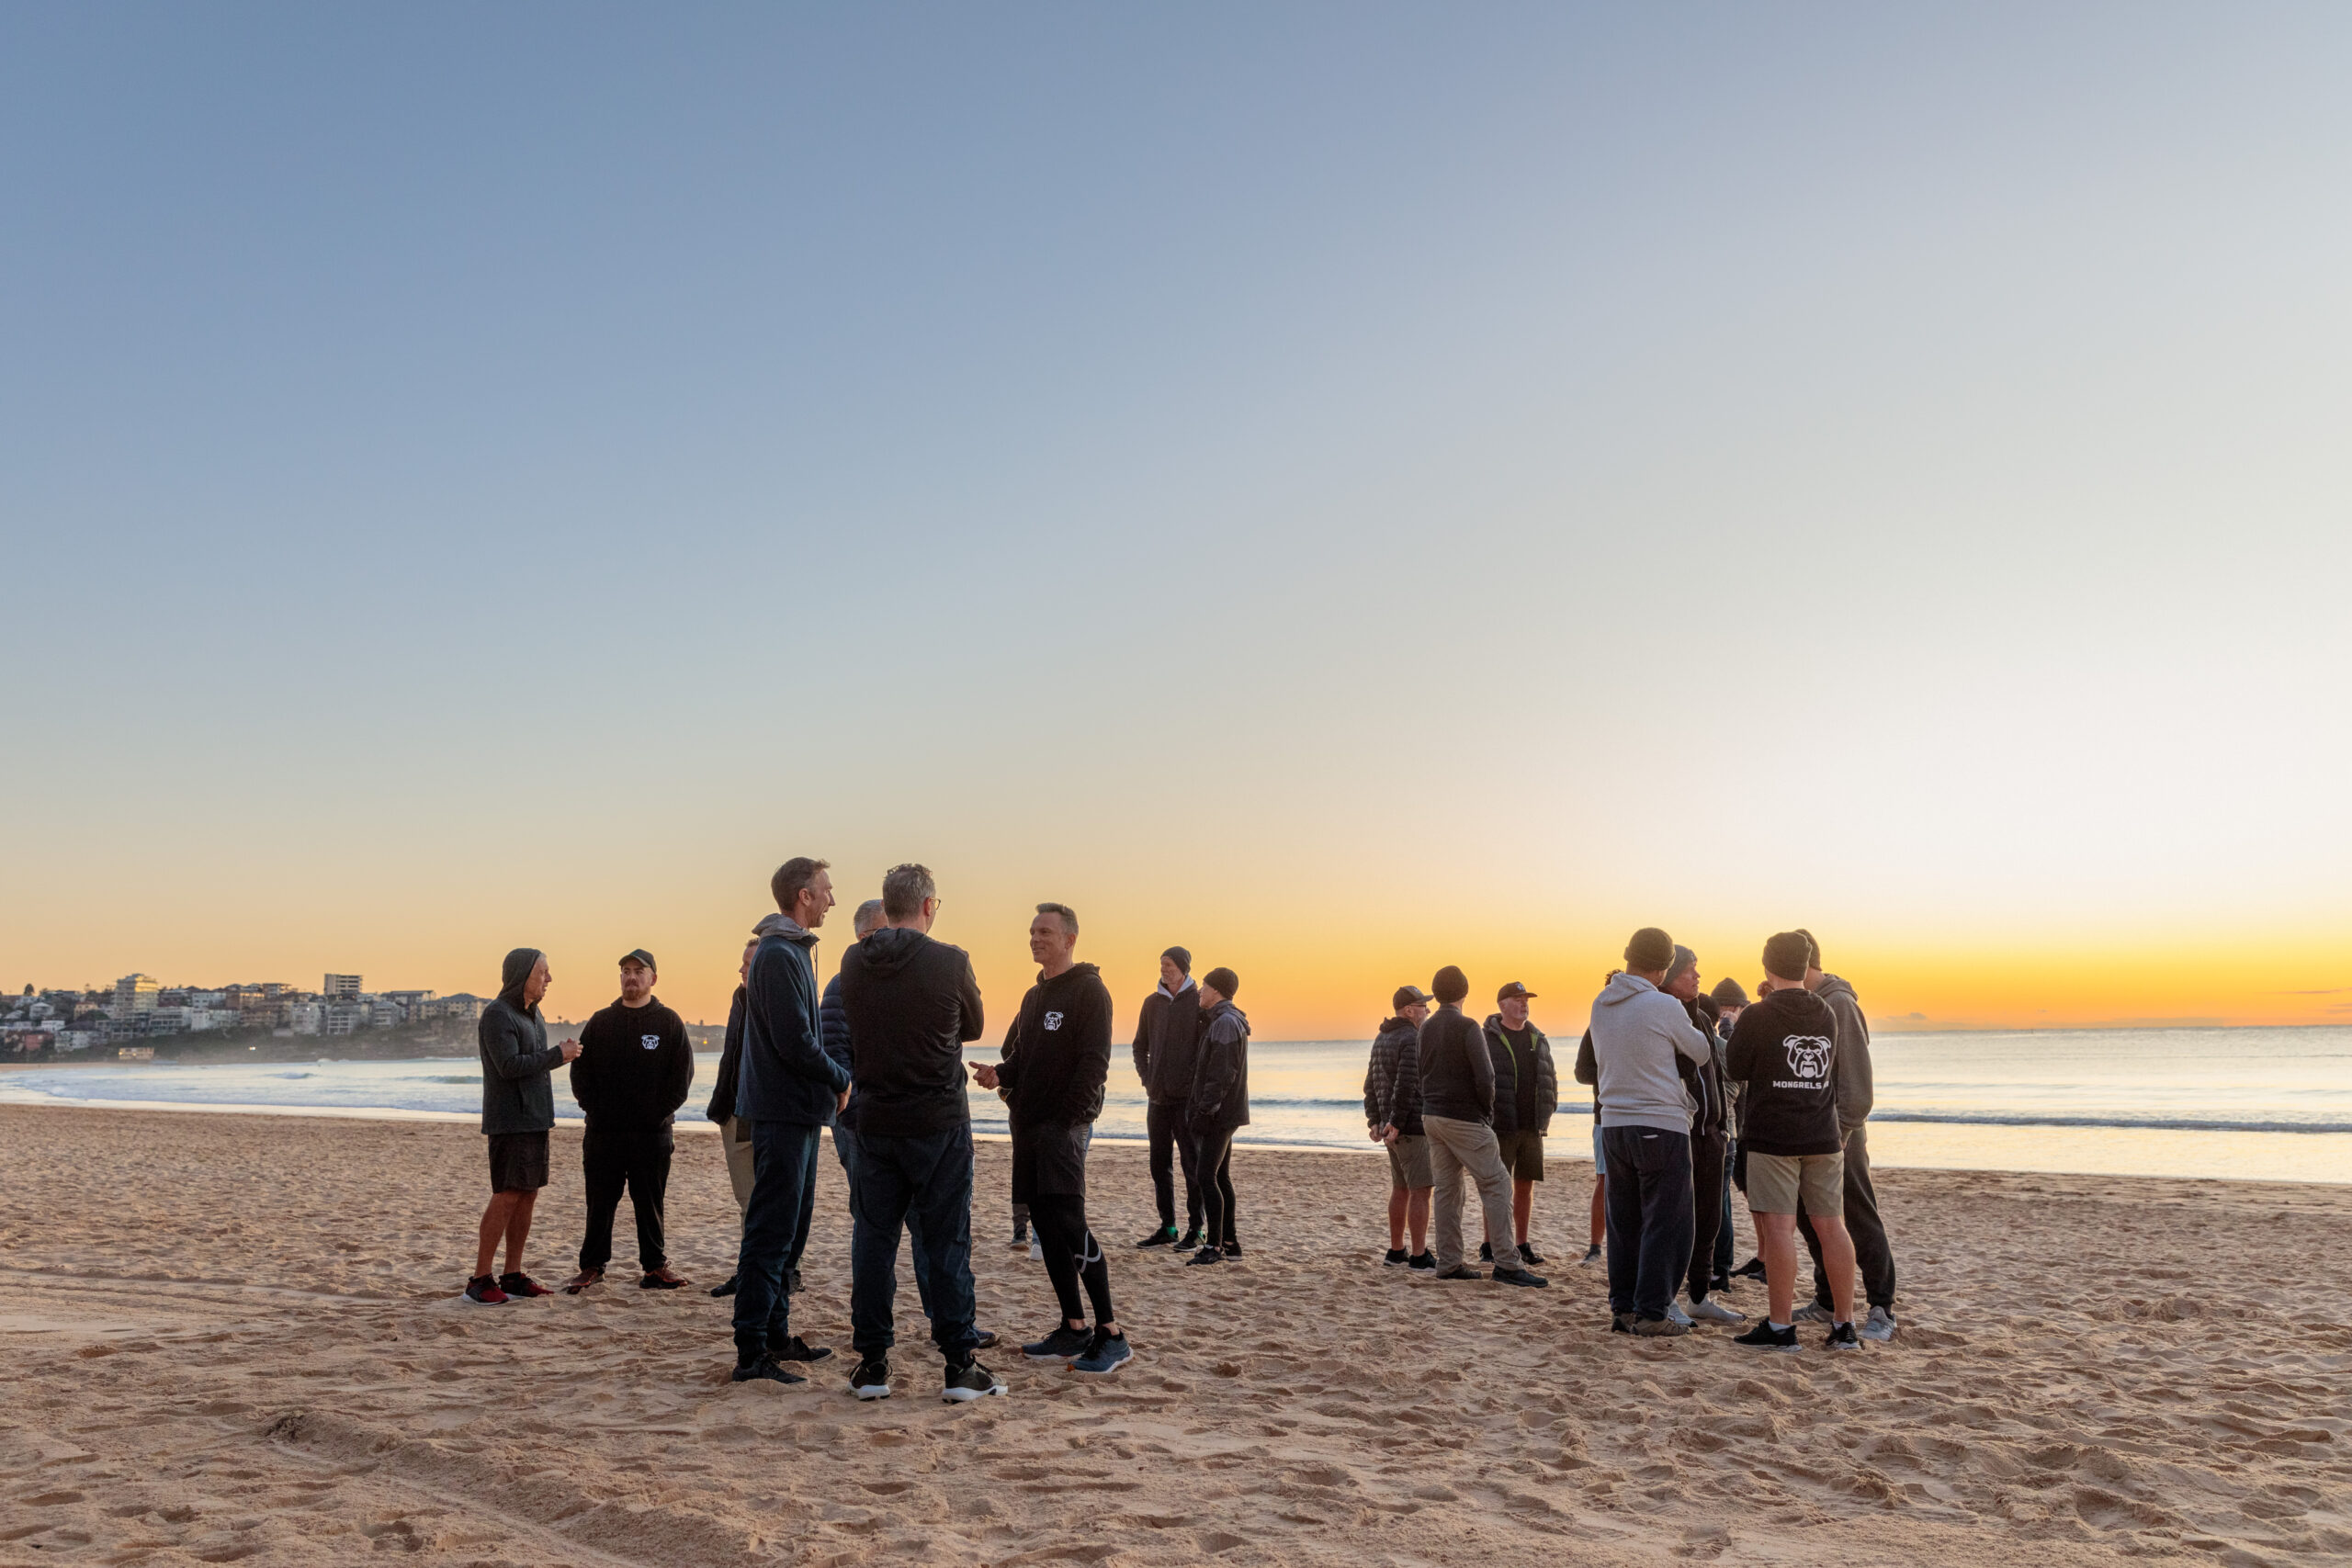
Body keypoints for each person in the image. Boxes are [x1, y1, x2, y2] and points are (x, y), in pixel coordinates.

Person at [836, 864, 1002, 1402]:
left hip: (876, 1120)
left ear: (888, 905)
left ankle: (873, 1365)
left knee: (874, 1240)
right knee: (946, 1240)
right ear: (928, 906)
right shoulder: (950, 960)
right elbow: (973, 1026)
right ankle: (959, 1365)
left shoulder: (853, 961)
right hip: (938, 1124)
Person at [970, 904, 1130, 1375]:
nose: (1036, 938)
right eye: (1032, 931)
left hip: (1064, 1127)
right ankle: (1073, 1327)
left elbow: (1094, 1065)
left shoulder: (1090, 991)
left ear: (1070, 939)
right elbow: (1023, 1057)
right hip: (1029, 1124)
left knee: (1070, 1223)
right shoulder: (1034, 994)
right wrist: (999, 1073)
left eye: (1046, 931)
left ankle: (1112, 1334)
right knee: (1044, 1225)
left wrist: (1067, 1124)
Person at [728, 857, 852, 1386]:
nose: (831, 898)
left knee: (792, 1231)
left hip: (797, 1111)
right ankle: (752, 1351)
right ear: (803, 895)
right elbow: (795, 1041)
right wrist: (841, 1077)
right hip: (780, 1112)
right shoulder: (778, 955)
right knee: (771, 1233)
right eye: (826, 890)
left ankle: (777, 1335)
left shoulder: (793, 950)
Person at [1725, 932, 1860, 1352]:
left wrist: (1735, 1028)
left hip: (1774, 1136)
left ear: (1767, 966)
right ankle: (1844, 1326)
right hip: (1823, 1136)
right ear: (1806, 966)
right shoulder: (1827, 1011)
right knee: (1832, 1227)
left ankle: (1781, 1328)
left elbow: (1736, 1067)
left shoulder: (1759, 1015)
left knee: (1780, 1229)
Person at [1586, 928, 1710, 1335]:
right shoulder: (1662, 1005)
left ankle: (1623, 1309)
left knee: (1623, 1220)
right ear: (1662, 966)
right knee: (1667, 1220)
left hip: (1614, 1124)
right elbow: (1701, 1050)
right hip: (1660, 1123)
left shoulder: (1601, 1004)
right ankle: (1655, 1313)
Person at [563, 950, 695, 1294]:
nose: (631, 977)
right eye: (625, 971)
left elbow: (681, 1079)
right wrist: (593, 1110)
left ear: (653, 978)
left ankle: (654, 1268)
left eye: (639, 971)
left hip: (651, 1135)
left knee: (650, 1203)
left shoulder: (667, 1021)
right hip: (604, 1134)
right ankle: (592, 1266)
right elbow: (581, 1073)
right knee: (600, 1202)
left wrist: (657, 1116)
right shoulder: (601, 1021)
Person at [1792, 930, 1899, 1342]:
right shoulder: (1806, 1003)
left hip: (1842, 1137)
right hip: (1808, 1134)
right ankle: (1824, 1299)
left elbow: (1858, 1088)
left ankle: (1881, 1307)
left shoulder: (1839, 1002)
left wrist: (1839, 1134)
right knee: (1810, 1218)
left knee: (1856, 1215)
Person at [1417, 966, 1546, 1287]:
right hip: (1464, 1117)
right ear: (1464, 993)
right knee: (1497, 1185)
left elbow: (1422, 1072)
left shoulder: (1425, 1028)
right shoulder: (1467, 1026)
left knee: (1447, 1192)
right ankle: (1506, 1262)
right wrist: (1486, 1113)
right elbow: (1486, 1076)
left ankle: (1448, 1262)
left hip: (1432, 1116)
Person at [466, 948, 580, 1304]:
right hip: (508, 1121)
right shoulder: (498, 1015)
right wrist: (556, 1056)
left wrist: (557, 1058)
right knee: (507, 1194)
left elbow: (532, 1065)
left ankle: (512, 1275)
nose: (549, 979)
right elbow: (509, 1066)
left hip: (535, 1119)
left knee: (528, 1194)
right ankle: (480, 1279)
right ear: (522, 975)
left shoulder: (534, 1014)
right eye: (543, 972)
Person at [1660, 947, 1743, 1327]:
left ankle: (1699, 1296)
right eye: (1690, 971)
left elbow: (1717, 1075)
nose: (1697, 976)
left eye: (1697, 970)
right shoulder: (1662, 1013)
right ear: (1669, 974)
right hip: (1680, 1133)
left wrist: (1724, 1126)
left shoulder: (1703, 1020)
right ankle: (1666, 1298)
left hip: (1713, 1134)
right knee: (1677, 1221)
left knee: (1709, 1220)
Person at [1131, 947, 1204, 1249]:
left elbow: (1206, 1051)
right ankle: (1168, 1226)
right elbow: (1139, 1046)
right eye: (1161, 964)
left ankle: (1196, 1229)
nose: (1164, 969)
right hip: (1157, 1098)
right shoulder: (1151, 1003)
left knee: (1192, 1165)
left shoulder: (1199, 1004)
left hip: (1187, 1100)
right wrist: (1147, 1079)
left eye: (1169, 964)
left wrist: (1193, 1085)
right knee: (1159, 1165)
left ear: (1184, 968)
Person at [1480, 982, 1557, 1267]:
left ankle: (1522, 1243)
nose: (1523, 1004)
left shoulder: (1537, 1037)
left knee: (1525, 1185)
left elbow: (1550, 1076)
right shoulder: (1486, 1037)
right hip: (1500, 1125)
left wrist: (1550, 1108)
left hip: (1531, 1124)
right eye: (1517, 999)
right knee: (1496, 1186)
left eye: (1526, 999)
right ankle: (1489, 1245)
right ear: (1502, 1004)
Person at [706, 936, 763, 1298]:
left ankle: (770, 1272)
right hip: (733, 1110)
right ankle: (750, 1270)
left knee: (763, 1200)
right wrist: (720, 1106)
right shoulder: (739, 997)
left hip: (762, 1114)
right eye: (742, 963)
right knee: (747, 1199)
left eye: (748, 964)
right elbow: (731, 1055)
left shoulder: (777, 1000)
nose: (740, 970)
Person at [1364, 985, 1434, 1269]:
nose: (1427, 1011)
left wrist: (1375, 1120)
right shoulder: (1411, 1037)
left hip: (1390, 1126)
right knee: (1420, 1190)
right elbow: (1407, 1085)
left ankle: (1396, 1251)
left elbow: (1370, 1084)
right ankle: (1418, 1255)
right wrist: (1396, 1121)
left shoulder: (1382, 1037)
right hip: (1409, 1126)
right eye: (1423, 1006)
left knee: (1401, 1189)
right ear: (1409, 1010)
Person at [1182, 968, 1250, 1266]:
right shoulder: (1224, 1020)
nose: (1200, 992)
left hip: (1219, 1114)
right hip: (1226, 1112)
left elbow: (1222, 1073)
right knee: (1220, 1176)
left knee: (1206, 1176)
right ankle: (1230, 1242)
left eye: (1205, 987)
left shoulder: (1225, 1023)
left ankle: (1215, 1246)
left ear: (1217, 991)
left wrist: (1204, 1110)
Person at [1708, 976, 1756, 1287]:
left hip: (1738, 1133)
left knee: (1725, 1201)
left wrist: (1727, 1029)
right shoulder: (1712, 1040)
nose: (1726, 1015)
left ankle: (1721, 1268)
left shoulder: (1741, 1037)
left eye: (1732, 1009)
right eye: (1721, 1010)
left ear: (1742, 1008)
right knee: (1722, 1199)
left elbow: (1738, 1078)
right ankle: (1721, 1267)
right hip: (1733, 1131)